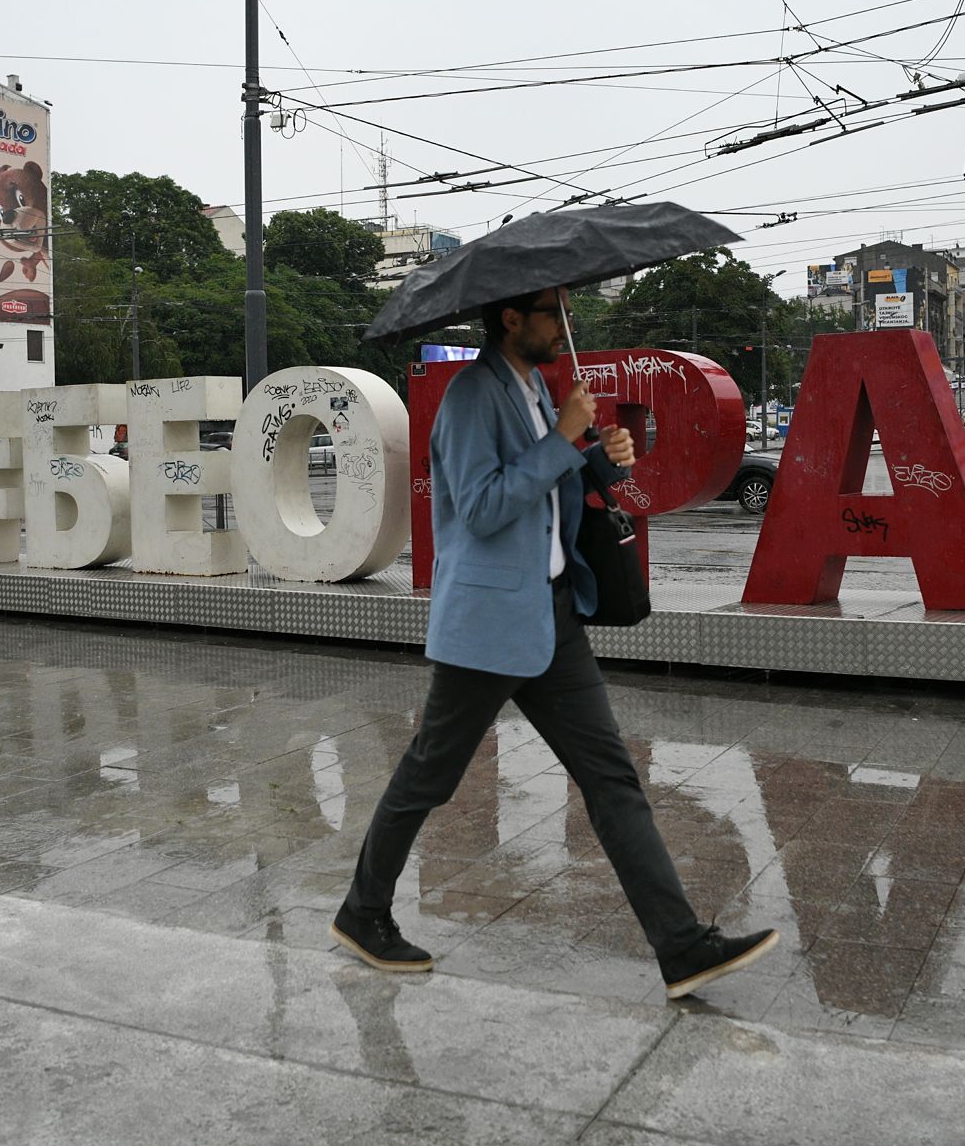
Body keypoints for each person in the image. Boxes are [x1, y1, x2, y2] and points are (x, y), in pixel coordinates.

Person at [332, 285, 779, 1000]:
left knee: (612, 778)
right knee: (430, 776)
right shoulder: (473, 397)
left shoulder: (537, 383)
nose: (565, 326)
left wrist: (607, 456)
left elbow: (554, 484)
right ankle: (363, 911)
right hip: (486, 626)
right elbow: (479, 507)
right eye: (553, 314)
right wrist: (559, 438)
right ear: (511, 318)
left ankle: (683, 946)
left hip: (553, 615)